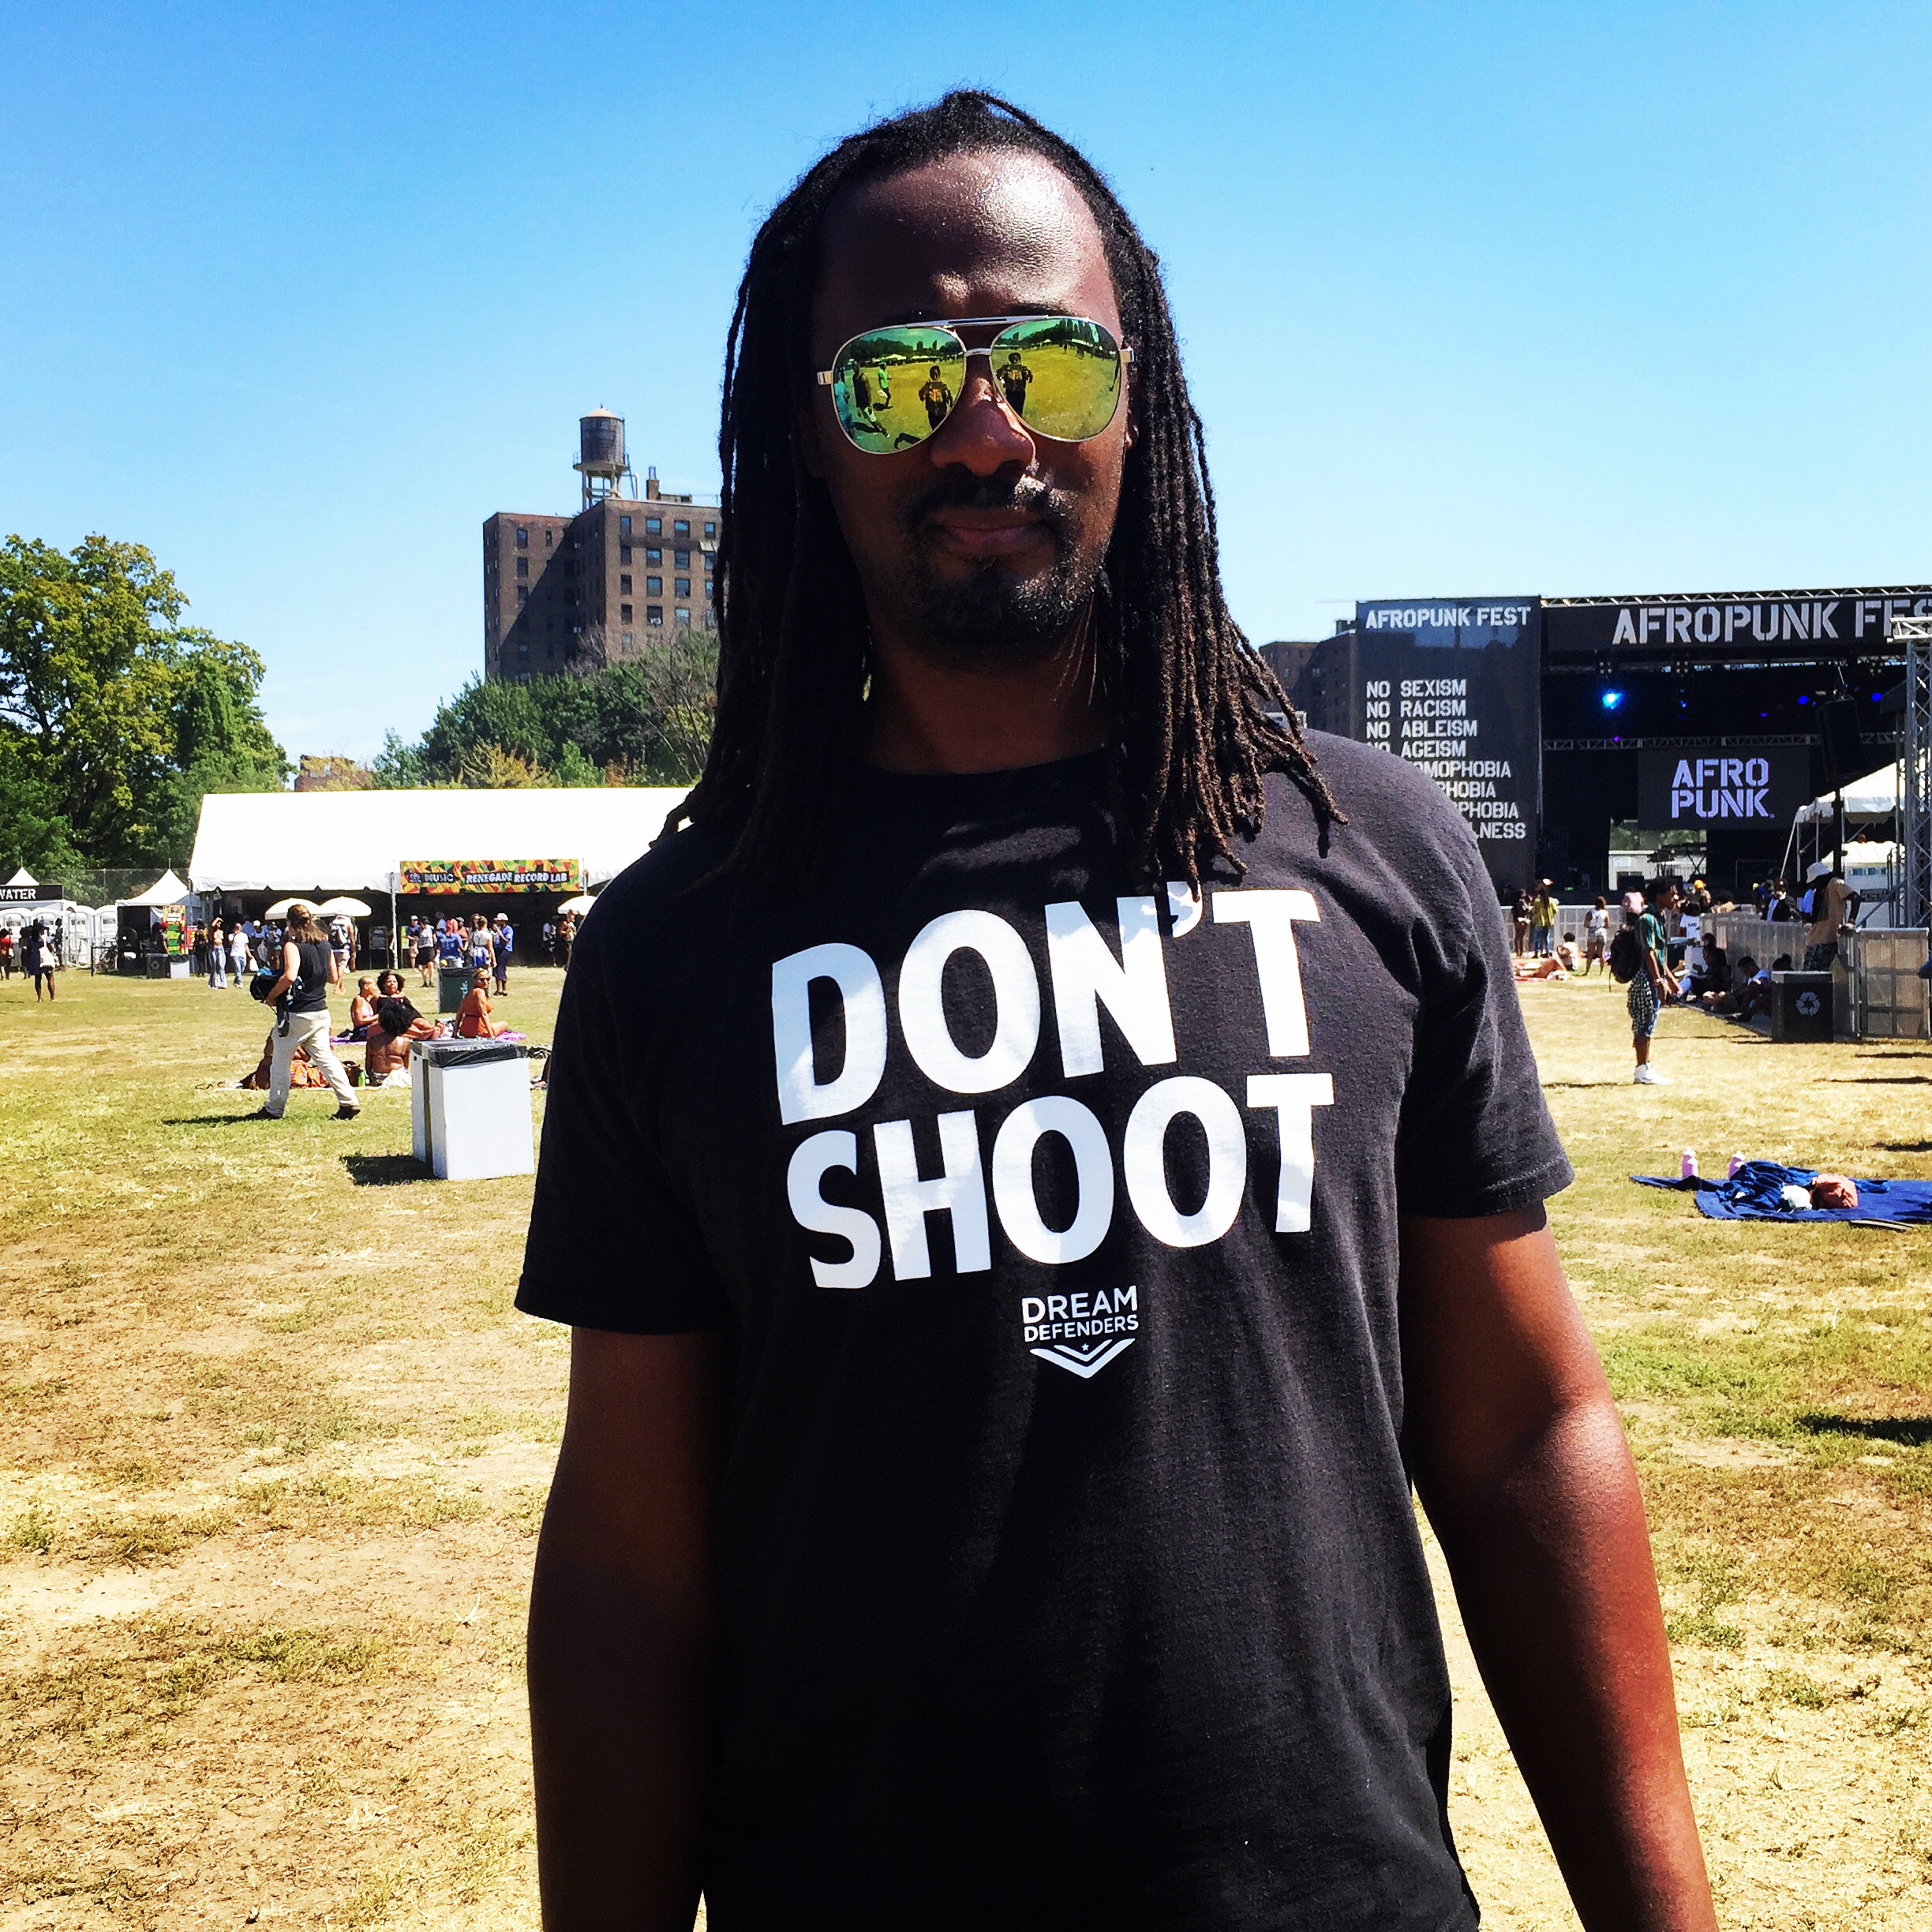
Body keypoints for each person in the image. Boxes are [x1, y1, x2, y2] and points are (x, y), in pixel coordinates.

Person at [516, 93, 1715, 1932]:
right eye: (899, 377)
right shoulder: (678, 940)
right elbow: (627, 1561)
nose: (984, 428)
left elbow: (1514, 1431)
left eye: (1049, 365)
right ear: (804, 434)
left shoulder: (1362, 851)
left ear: (1137, 406)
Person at [245, 901, 359, 1120]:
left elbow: (289, 976)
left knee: (280, 1060)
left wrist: (271, 996)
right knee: (326, 1059)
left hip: (298, 1012)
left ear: (289, 923)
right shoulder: (325, 944)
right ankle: (348, 1101)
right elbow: (333, 977)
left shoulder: (292, 946)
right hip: (321, 1011)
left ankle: (274, 1108)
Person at [1630, 877, 1681, 1084]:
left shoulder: (1658, 918)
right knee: (1644, 1024)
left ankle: (1646, 1067)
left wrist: (1671, 979)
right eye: (1672, 893)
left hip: (1654, 976)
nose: (1675, 897)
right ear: (1659, 895)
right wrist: (1659, 981)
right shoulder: (1647, 920)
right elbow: (1649, 953)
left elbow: (1660, 956)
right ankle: (1642, 1070)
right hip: (1646, 977)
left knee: (1649, 1023)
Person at [364, 988, 436, 1083]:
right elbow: (405, 1065)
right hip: (399, 1076)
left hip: (377, 1078)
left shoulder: (372, 1040)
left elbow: (368, 1065)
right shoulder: (405, 1042)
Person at [1803, 862, 1852, 972]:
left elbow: (1855, 897)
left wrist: (1850, 921)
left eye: (1815, 881)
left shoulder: (1836, 884)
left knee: (1814, 974)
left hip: (1826, 939)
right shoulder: (1821, 891)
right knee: (1810, 973)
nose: (1814, 885)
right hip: (1815, 938)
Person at [455, 967, 502, 1039]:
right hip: (478, 1030)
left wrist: (455, 1032)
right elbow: (483, 1014)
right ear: (475, 980)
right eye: (482, 980)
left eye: (488, 979)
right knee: (504, 1024)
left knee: (495, 1024)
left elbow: (459, 1014)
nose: (485, 982)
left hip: (465, 1030)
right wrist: (491, 1035)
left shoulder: (468, 994)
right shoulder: (480, 992)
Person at [21, 920, 54, 1001]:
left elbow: (28, 951)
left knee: (38, 979)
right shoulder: (45, 939)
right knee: (50, 978)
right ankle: (52, 997)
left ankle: (39, 998)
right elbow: (51, 949)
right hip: (45, 959)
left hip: (34, 960)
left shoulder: (30, 940)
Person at [346, 976, 379, 1041]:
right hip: (361, 1031)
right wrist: (378, 1016)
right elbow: (360, 1021)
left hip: (369, 1028)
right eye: (373, 985)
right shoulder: (358, 999)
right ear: (366, 987)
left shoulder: (367, 1000)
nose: (375, 988)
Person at [1531, 878, 1557, 957]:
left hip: (1539, 921)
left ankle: (1536, 953)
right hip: (1548, 921)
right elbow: (1555, 910)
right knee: (1546, 938)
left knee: (1537, 938)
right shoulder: (1551, 900)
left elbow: (1534, 911)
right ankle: (1547, 951)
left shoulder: (1537, 901)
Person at [1582, 895, 1608, 974]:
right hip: (1602, 931)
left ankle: (1587, 971)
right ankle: (1601, 972)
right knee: (1601, 953)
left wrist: (1590, 926)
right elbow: (1608, 925)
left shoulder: (1590, 912)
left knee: (1590, 953)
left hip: (1593, 931)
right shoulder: (1605, 913)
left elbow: (1586, 924)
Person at [492, 912, 514, 994]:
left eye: (499, 921)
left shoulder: (508, 929)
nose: (498, 923)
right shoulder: (498, 929)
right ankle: (498, 989)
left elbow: (506, 941)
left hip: (505, 950)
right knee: (496, 969)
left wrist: (498, 932)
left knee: (501, 969)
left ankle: (504, 989)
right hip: (497, 949)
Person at [415, 917, 438, 987]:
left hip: (430, 948)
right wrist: (415, 948)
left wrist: (436, 947)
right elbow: (416, 940)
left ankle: (431, 981)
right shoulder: (418, 930)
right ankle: (425, 982)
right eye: (423, 924)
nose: (425, 925)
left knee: (431, 964)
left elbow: (434, 938)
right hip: (422, 949)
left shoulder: (431, 928)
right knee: (423, 967)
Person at [207, 917, 227, 990]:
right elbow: (212, 926)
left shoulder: (221, 931)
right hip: (214, 948)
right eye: (217, 923)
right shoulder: (212, 931)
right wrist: (217, 919)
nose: (219, 924)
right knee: (214, 966)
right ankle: (212, 983)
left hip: (220, 948)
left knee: (221, 966)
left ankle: (223, 983)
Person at [1511, 886, 1531, 956]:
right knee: (1521, 936)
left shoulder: (1515, 902)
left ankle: (1517, 951)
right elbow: (1524, 911)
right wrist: (1528, 909)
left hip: (1516, 920)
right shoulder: (1521, 902)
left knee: (1517, 936)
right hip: (1522, 920)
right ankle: (1521, 952)